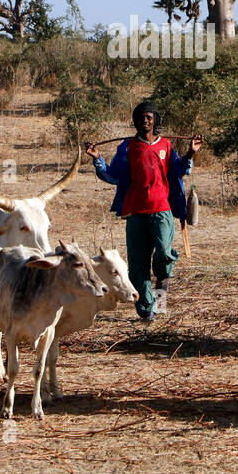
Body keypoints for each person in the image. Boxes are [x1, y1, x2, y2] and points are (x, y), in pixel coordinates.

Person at [86, 101, 202, 322]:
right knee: (138, 266)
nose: (145, 120)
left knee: (164, 254)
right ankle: (148, 311)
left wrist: (190, 153)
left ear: (155, 120)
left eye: (149, 117)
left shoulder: (166, 146)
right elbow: (113, 176)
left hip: (162, 210)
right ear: (136, 121)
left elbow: (179, 170)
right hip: (136, 213)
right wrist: (98, 159)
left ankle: (161, 290)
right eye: (141, 117)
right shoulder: (127, 148)